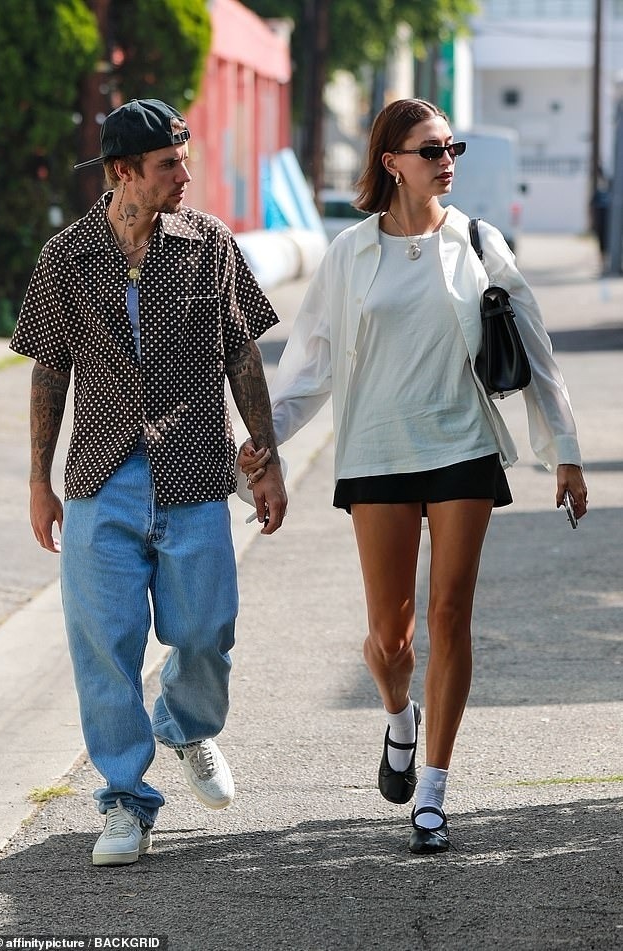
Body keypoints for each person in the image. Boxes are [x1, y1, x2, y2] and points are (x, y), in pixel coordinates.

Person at [239, 98, 587, 854]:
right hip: (377, 452)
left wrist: (565, 449)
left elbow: (536, 347)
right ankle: (400, 716)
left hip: (462, 444)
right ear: (390, 161)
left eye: (452, 147)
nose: (446, 160)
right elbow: (311, 365)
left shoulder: (478, 243)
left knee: (450, 613)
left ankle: (433, 787)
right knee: (389, 639)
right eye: (431, 150)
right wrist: (264, 443)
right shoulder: (349, 254)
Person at [10, 98, 287, 866]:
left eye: (184, 160)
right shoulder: (66, 257)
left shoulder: (209, 244)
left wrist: (267, 458)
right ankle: (125, 800)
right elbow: (49, 370)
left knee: (206, 633)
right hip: (101, 476)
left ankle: (187, 724)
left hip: (195, 471)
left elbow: (242, 354)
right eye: (169, 165)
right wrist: (39, 480)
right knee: (105, 646)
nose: (184, 176)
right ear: (123, 172)